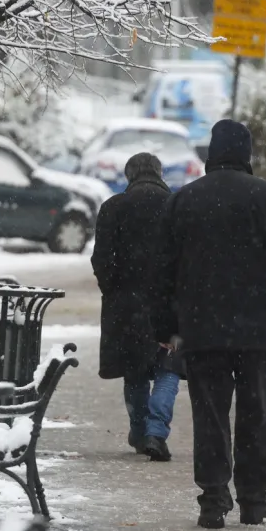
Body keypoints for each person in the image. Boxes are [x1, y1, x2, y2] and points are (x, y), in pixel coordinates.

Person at [154, 119, 266, 529]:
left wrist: (165, 327)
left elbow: (164, 271)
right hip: (257, 330)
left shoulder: (183, 200)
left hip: (202, 328)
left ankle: (212, 498)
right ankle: (254, 500)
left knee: (210, 413)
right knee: (256, 411)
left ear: (210, 154)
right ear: (247, 154)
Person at [91, 153, 184, 462]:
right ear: (159, 174)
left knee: (135, 371)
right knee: (167, 368)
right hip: (168, 301)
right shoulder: (175, 206)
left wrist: (114, 290)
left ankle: (140, 430)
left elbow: (101, 260)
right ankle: (157, 432)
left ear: (129, 176)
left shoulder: (113, 208)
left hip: (126, 304)